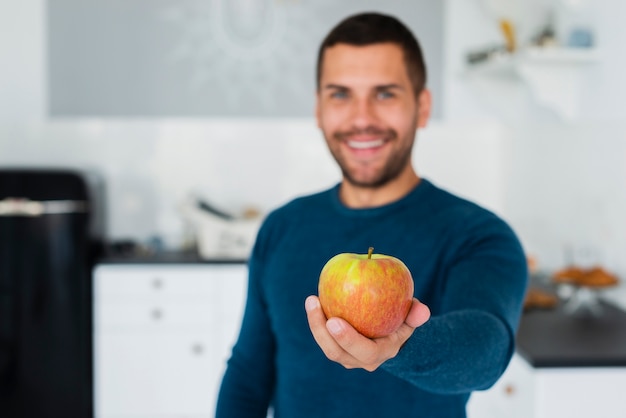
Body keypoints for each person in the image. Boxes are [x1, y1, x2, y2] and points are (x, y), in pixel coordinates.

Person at [216, 11, 528, 418]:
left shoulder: (480, 235)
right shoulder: (282, 227)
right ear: (319, 109)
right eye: (340, 94)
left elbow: (486, 350)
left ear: (422, 106)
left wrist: (399, 344)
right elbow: (248, 372)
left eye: (385, 94)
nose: (361, 118)